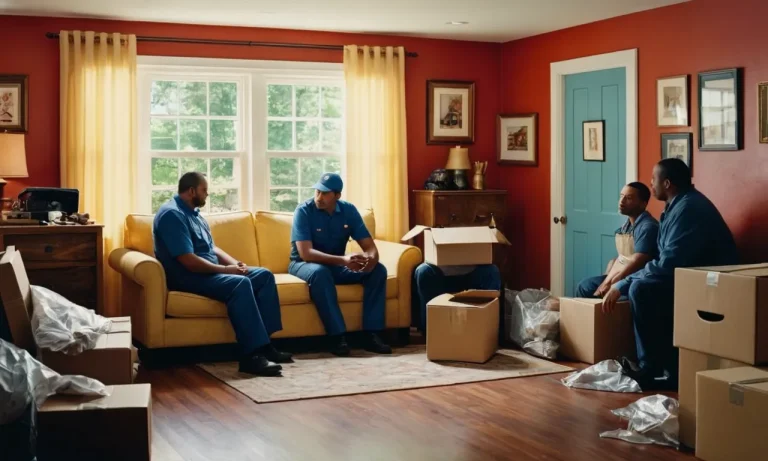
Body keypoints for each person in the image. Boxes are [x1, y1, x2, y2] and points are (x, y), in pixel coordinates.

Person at [601, 159, 738, 389]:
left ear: (667, 183)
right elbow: (664, 260)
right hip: (686, 275)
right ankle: (659, 365)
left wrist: (623, 284)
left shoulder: (688, 209)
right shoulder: (675, 206)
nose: (651, 184)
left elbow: (668, 264)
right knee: (638, 284)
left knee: (641, 289)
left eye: (653, 179)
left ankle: (652, 368)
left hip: (709, 284)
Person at [153, 172, 292, 377]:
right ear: (191, 191)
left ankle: (265, 346)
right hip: (188, 277)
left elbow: (212, 248)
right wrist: (228, 271)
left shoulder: (194, 213)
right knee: (240, 284)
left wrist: (235, 264)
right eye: (204, 190)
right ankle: (250, 357)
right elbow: (189, 262)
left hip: (208, 272)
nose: (207, 194)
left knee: (263, 275)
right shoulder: (172, 215)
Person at [288, 173, 391, 356]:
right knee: (320, 273)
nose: (319, 197)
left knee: (379, 270)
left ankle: (371, 334)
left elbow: (370, 247)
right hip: (303, 264)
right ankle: (337, 337)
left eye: (325, 193)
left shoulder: (348, 210)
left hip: (336, 265)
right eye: (317, 191)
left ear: (337, 196)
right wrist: (343, 260)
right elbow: (306, 253)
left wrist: (369, 262)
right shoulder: (303, 211)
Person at [575, 182, 659, 299]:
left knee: (597, 293)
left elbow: (637, 262)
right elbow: (624, 257)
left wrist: (611, 283)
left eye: (628, 198)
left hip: (636, 277)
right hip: (621, 273)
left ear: (643, 204)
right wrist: (608, 276)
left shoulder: (648, 227)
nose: (622, 201)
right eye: (621, 196)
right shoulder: (627, 225)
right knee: (584, 286)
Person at [412, 264, 501, 334]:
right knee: (423, 271)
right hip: (438, 273)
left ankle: (488, 332)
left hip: (472, 271)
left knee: (492, 270)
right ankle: (431, 332)